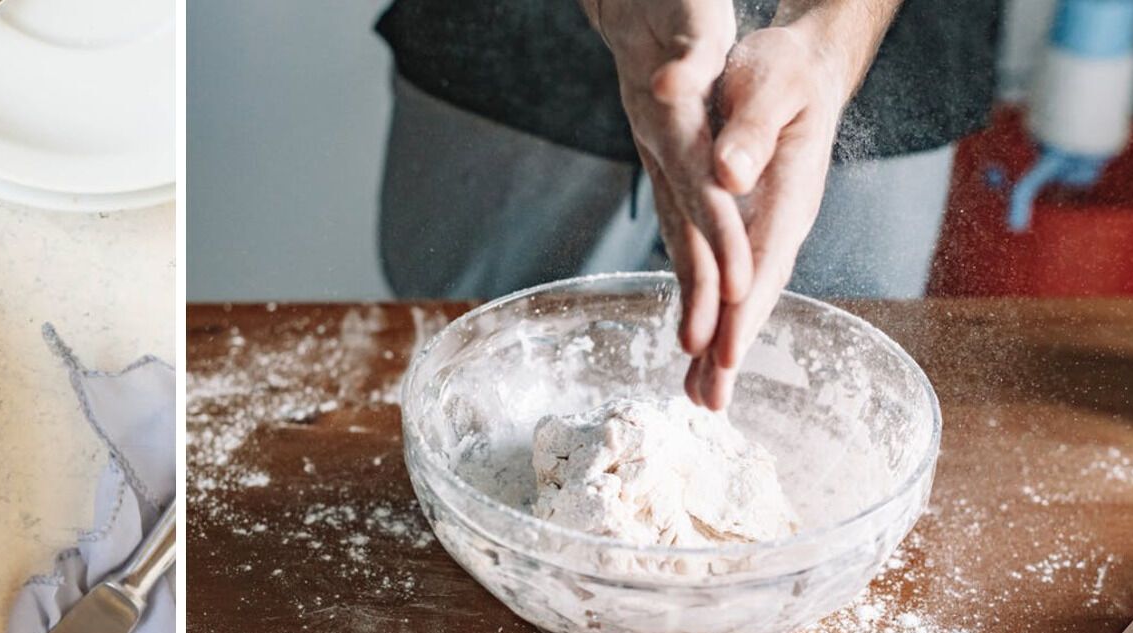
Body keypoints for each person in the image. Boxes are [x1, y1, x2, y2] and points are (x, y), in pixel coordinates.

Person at [375, 0, 1000, 408]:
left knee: (832, 393)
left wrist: (833, 38)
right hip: (519, 57)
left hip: (890, 51)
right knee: (475, 380)